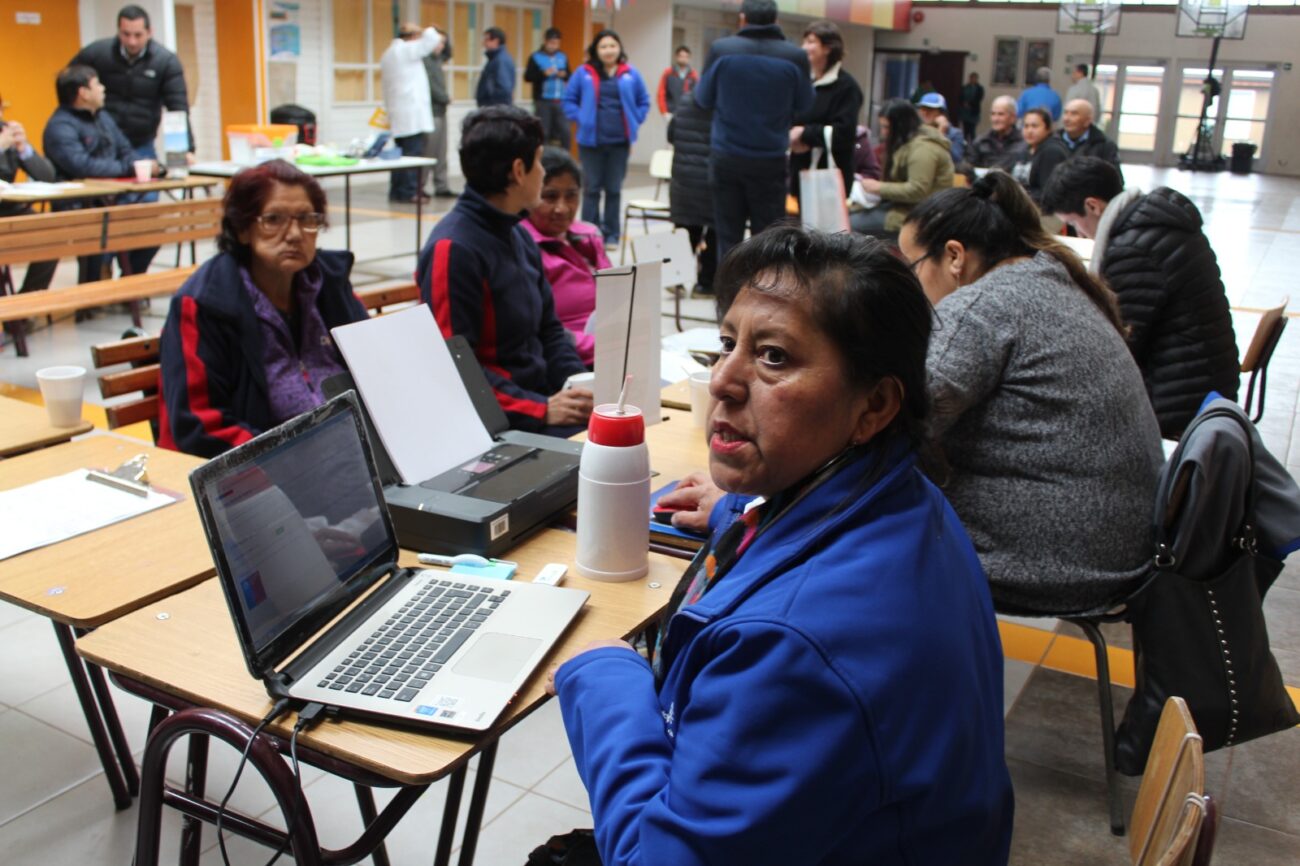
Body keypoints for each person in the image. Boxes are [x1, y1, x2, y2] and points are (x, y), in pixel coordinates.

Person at [547, 226, 1015, 866]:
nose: (723, 382)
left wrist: (601, 672)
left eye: (774, 358)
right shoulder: (904, 497)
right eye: (727, 345)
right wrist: (740, 513)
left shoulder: (794, 648)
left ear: (874, 404)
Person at [900, 172, 1163, 612]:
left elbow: (908, 418)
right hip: (1114, 540)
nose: (913, 285)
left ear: (954, 256)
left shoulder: (982, 305)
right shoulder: (1050, 277)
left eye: (912, 267)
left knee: (863, 515)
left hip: (1057, 558)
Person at [157, 160, 367, 458]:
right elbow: (198, 427)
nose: (294, 234)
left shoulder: (329, 284)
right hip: (263, 474)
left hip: (349, 454)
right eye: (274, 219)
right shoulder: (207, 303)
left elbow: (375, 369)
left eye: (307, 218)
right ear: (243, 229)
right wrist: (288, 459)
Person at [416, 106, 591, 435]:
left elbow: (550, 331)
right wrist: (540, 410)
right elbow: (452, 368)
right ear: (519, 170)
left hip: (539, 401)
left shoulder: (517, 234)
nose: (542, 171)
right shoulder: (453, 249)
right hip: (501, 422)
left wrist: (580, 386)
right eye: (538, 161)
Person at [1041, 157, 1239, 438]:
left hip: (1180, 400)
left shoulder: (1133, 249)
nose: (1079, 233)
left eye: (1074, 223)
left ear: (1093, 206)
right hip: (1205, 381)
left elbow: (1117, 343)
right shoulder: (1154, 221)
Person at [694, 0, 813, 263]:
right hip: (770, 160)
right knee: (768, 239)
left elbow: (702, 99)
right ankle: (764, 298)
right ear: (776, 21)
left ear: (742, 19)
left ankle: (728, 301)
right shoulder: (795, 56)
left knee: (728, 237)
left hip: (726, 156)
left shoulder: (722, 50)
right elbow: (805, 104)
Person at [44, 64, 159, 283]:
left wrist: (138, 164)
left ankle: (130, 282)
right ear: (83, 93)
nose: (103, 89)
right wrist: (128, 168)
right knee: (105, 228)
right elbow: (83, 166)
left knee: (153, 224)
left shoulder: (102, 118)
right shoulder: (60, 127)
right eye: (97, 84)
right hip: (81, 204)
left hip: (114, 197)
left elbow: (126, 150)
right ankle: (102, 280)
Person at [69, 5, 192, 164]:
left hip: (141, 144)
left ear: (149, 32)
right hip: (101, 143)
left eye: (138, 35)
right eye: (126, 34)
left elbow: (178, 108)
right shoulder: (97, 54)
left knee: (148, 186)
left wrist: (185, 151)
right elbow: (69, 86)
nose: (132, 41)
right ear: (118, 31)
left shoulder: (165, 62)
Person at [522, 147, 610, 368]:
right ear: (531, 196)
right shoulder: (523, 250)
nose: (562, 208)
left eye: (571, 196)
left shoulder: (589, 237)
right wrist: (607, 348)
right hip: (569, 363)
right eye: (550, 197)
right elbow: (540, 334)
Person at [562, 30, 650, 248]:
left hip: (620, 142)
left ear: (619, 48)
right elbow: (568, 100)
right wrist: (581, 117)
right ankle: (589, 233)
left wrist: (635, 119)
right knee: (591, 189)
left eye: (612, 45)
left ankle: (611, 235)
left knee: (614, 189)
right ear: (596, 50)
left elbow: (644, 101)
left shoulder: (631, 73)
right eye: (603, 46)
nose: (608, 50)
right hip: (590, 142)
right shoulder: (584, 72)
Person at [851, 99, 953, 240]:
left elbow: (918, 190)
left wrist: (879, 187)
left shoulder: (923, 149)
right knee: (849, 215)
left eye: (886, 127)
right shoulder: (909, 143)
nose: (883, 132)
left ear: (900, 126)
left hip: (921, 215)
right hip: (904, 208)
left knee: (850, 224)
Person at [789, 19, 863, 207]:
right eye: (805, 41)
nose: (804, 47)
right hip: (802, 172)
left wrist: (804, 135)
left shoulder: (846, 87)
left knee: (825, 233)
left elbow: (844, 133)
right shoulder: (804, 81)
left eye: (811, 41)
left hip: (829, 177)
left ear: (828, 48)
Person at [0, 95, 58, 296]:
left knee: (53, 237)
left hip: (12, 211)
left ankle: (26, 304)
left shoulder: (7, 139)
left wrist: (24, 148)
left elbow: (47, 176)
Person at [380, 22, 445, 204]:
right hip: (411, 114)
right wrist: (424, 29)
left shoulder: (388, 53)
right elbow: (433, 39)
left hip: (398, 113)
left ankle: (397, 191)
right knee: (412, 155)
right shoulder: (407, 50)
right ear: (413, 37)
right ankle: (409, 192)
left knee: (399, 157)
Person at [667, 91, 716, 298]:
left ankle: (675, 281)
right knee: (714, 234)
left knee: (685, 231)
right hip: (713, 179)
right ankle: (705, 285)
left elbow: (671, 135)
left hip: (684, 178)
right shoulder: (727, 104)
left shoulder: (685, 100)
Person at [1009, 107, 1068, 205]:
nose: (1029, 131)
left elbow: (1047, 193)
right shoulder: (1024, 149)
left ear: (1048, 128)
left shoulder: (1052, 151)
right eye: (1026, 126)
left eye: (1034, 126)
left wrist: (1016, 195)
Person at [524, 27, 570, 148]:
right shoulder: (535, 57)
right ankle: (544, 160)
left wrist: (564, 74)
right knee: (544, 132)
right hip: (543, 100)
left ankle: (565, 159)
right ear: (545, 41)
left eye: (556, 43)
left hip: (560, 100)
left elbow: (569, 74)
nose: (554, 46)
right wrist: (544, 74)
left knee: (564, 131)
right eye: (551, 42)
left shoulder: (562, 56)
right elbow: (528, 77)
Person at [423, 38, 457, 197]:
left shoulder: (438, 61)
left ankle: (441, 185)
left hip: (440, 111)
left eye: (443, 43)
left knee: (441, 151)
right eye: (438, 42)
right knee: (429, 150)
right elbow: (431, 86)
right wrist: (444, 97)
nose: (441, 46)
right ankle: (421, 185)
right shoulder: (426, 61)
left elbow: (449, 53)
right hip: (432, 112)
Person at [1059, 98, 1121, 179]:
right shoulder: (1052, 142)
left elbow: (1115, 179)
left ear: (1087, 120)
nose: (1067, 119)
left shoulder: (1105, 146)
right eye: (1065, 113)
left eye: (1074, 114)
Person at [969, 96, 1025, 170]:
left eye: (1001, 114)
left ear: (1013, 118)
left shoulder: (1023, 143)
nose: (995, 119)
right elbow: (969, 164)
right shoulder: (981, 141)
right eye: (993, 114)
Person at [915, 91, 965, 164]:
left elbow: (956, 160)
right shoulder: (916, 131)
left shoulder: (954, 133)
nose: (925, 113)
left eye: (929, 109)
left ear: (941, 113)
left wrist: (941, 133)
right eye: (922, 109)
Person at [476, 27, 515, 107]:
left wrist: (494, 106)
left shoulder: (500, 60)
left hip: (495, 108)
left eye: (487, 40)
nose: (484, 43)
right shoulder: (494, 59)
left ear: (496, 41)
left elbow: (504, 88)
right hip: (491, 107)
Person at [656, 45, 697, 119]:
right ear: (676, 57)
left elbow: (696, 93)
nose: (683, 59)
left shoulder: (693, 75)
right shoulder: (668, 73)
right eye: (681, 56)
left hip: (687, 112)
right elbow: (661, 92)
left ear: (689, 58)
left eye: (686, 57)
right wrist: (664, 112)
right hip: (671, 112)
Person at [959, 71, 985, 141]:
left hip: (974, 112)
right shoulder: (965, 87)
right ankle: (965, 145)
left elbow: (979, 98)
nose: (972, 79)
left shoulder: (980, 88)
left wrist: (970, 104)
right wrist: (964, 103)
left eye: (974, 78)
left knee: (972, 130)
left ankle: (973, 146)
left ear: (976, 79)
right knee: (965, 130)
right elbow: (960, 97)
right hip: (965, 112)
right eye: (971, 78)